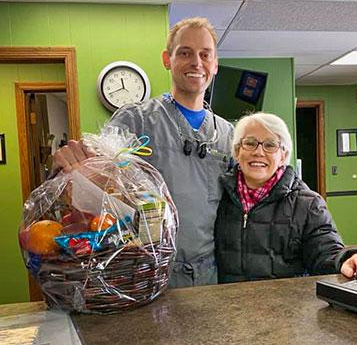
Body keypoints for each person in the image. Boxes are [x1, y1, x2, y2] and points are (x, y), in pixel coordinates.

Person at [53, 17, 234, 287]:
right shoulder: (135, 121)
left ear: (215, 64)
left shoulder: (228, 135)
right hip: (146, 268)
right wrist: (74, 171)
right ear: (167, 59)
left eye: (205, 54)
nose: (196, 62)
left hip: (208, 273)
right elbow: (96, 185)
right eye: (185, 53)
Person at [215, 112, 357, 283]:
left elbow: (326, 252)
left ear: (283, 156)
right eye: (250, 143)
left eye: (270, 145)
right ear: (237, 151)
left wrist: (348, 258)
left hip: (284, 305)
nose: (259, 152)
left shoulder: (309, 204)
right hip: (226, 304)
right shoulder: (217, 195)